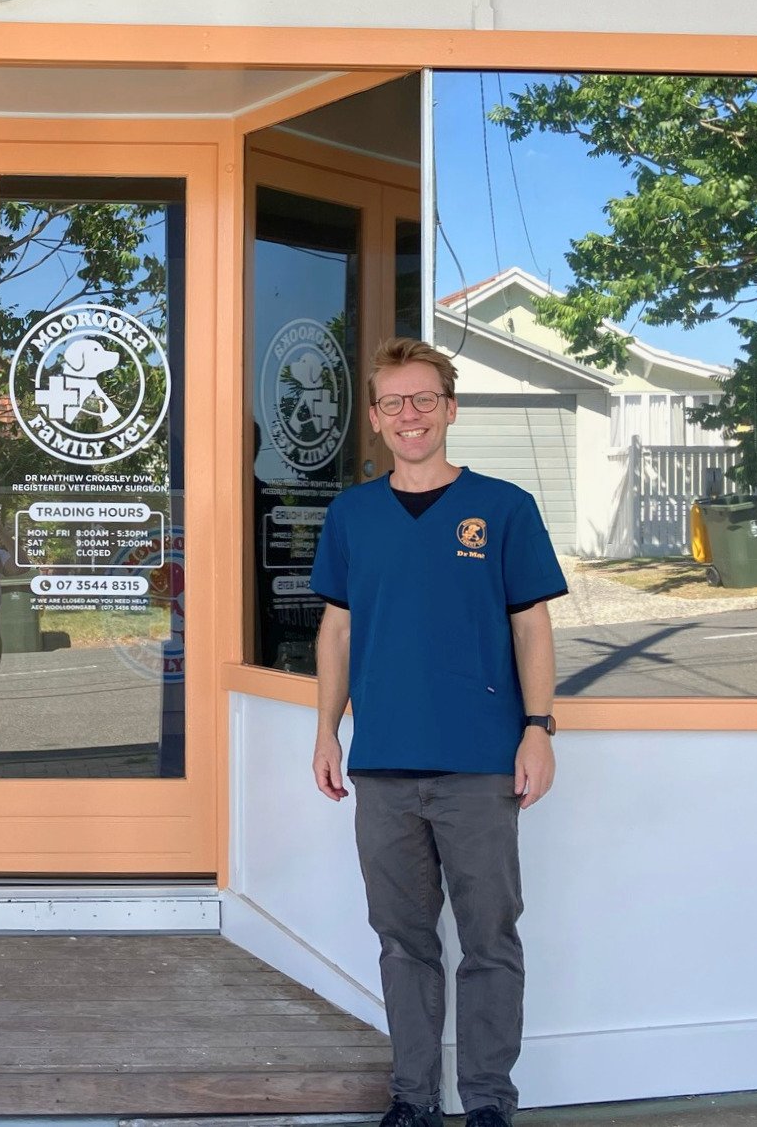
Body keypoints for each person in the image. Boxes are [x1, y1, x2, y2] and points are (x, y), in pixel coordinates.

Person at [309, 337, 564, 1127]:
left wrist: (538, 727)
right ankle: (414, 1098)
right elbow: (337, 631)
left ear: (450, 410)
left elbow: (533, 629)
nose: (410, 415)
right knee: (403, 943)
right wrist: (326, 732)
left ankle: (489, 1102)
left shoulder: (504, 508)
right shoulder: (352, 515)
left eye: (424, 400)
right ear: (377, 421)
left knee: (490, 942)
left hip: (481, 765)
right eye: (393, 403)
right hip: (383, 768)